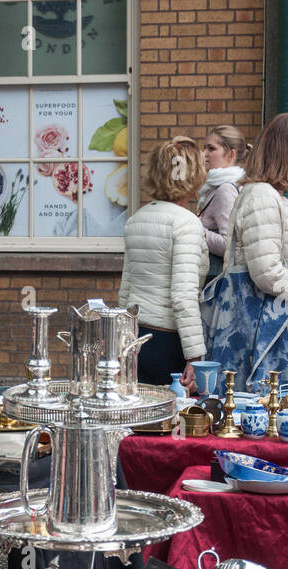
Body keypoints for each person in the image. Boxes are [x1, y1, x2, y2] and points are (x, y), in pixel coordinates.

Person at [202, 113, 288, 391]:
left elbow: (272, 268)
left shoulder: (267, 195)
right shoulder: (262, 196)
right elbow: (268, 276)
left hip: (270, 332)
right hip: (261, 336)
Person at [118, 137, 207, 388]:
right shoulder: (187, 223)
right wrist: (195, 355)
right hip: (170, 341)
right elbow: (183, 295)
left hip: (135, 337)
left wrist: (119, 340)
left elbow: (126, 288)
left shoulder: (136, 220)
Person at [198, 125, 247, 278]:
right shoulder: (221, 185)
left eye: (211, 149)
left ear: (231, 154)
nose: (204, 154)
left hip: (217, 278)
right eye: (204, 148)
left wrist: (197, 229)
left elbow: (229, 245)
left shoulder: (225, 189)